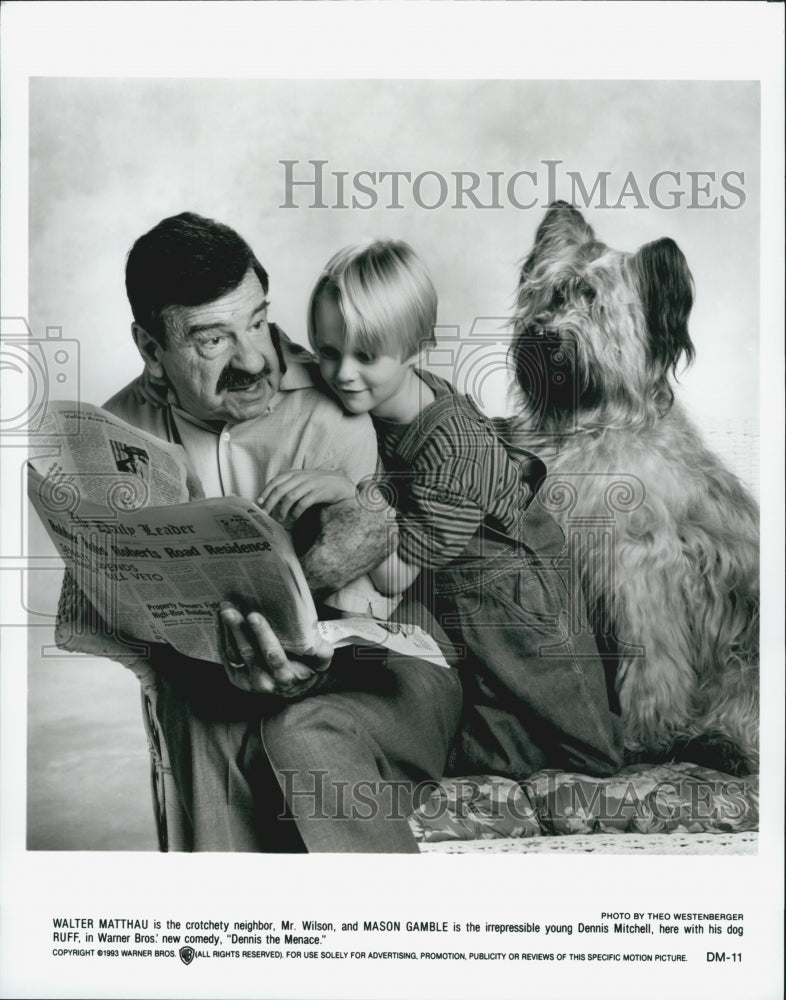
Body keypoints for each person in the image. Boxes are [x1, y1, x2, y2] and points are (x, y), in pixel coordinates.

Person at [56, 213, 462, 852]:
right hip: (206, 681)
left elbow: (365, 612)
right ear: (150, 347)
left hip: (374, 666)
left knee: (291, 724)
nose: (254, 358)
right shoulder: (114, 434)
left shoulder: (336, 411)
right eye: (212, 340)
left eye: (257, 321)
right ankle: (234, 935)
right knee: (199, 704)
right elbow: (120, 617)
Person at [257, 239, 623, 780]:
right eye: (329, 351)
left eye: (366, 356)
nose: (342, 373)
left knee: (582, 741)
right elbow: (296, 362)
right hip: (451, 587)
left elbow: (388, 574)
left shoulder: (451, 452)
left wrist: (346, 491)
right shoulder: (380, 399)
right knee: (483, 727)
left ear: (417, 346)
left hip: (519, 596)